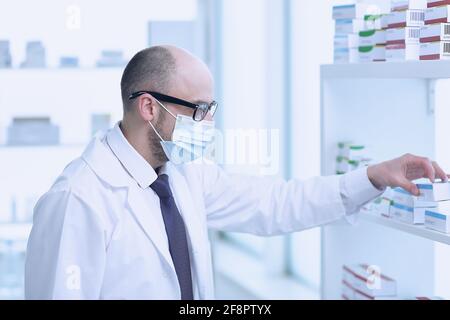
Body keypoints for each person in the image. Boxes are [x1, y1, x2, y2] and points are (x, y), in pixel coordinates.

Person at [25, 45, 448, 300]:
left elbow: (275, 204)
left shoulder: (184, 174)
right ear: (149, 106)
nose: (208, 124)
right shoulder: (78, 199)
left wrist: (373, 176)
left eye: (212, 110)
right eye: (199, 110)